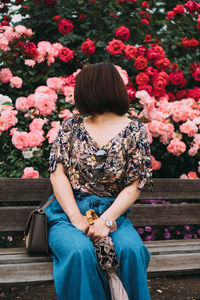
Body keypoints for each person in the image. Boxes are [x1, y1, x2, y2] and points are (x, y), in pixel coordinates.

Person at [45, 62, 153, 300]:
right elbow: (57, 174)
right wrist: (76, 218)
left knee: (132, 251)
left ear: (89, 89)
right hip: (66, 214)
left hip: (112, 212)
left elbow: (136, 183)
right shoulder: (71, 127)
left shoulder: (135, 131)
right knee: (79, 251)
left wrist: (106, 220)